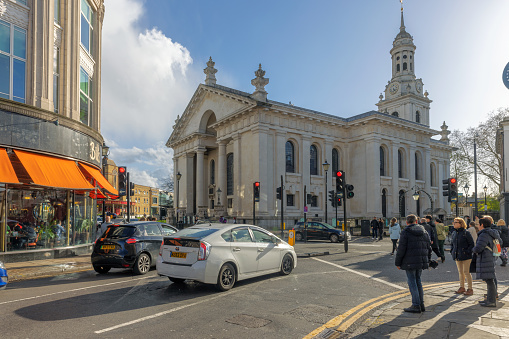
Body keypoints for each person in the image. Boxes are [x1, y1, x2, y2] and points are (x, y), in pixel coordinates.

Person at [395, 214, 432, 313]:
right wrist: (427, 260)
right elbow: (429, 248)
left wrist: (397, 263)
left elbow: (401, 249)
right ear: (416, 221)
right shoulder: (424, 231)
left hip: (409, 261)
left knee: (412, 282)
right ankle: (421, 304)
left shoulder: (406, 232)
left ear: (407, 222)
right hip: (420, 261)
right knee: (418, 281)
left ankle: (416, 305)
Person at [473, 217, 502, 307]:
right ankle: (490, 300)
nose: (477, 226)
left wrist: (473, 249)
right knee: (489, 280)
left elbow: (479, 248)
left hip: (485, 258)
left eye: (478, 224)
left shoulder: (484, 234)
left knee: (489, 280)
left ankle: (491, 301)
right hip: (491, 257)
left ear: (482, 225)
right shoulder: (493, 233)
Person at [450, 218, 475, 295]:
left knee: (466, 272)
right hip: (457, 255)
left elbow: (471, 244)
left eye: (455, 222)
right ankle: (462, 287)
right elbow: (452, 244)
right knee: (460, 272)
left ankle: (470, 289)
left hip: (466, 256)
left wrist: (467, 251)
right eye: (453, 222)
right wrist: (452, 251)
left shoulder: (466, 233)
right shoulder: (454, 233)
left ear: (461, 224)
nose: (453, 224)